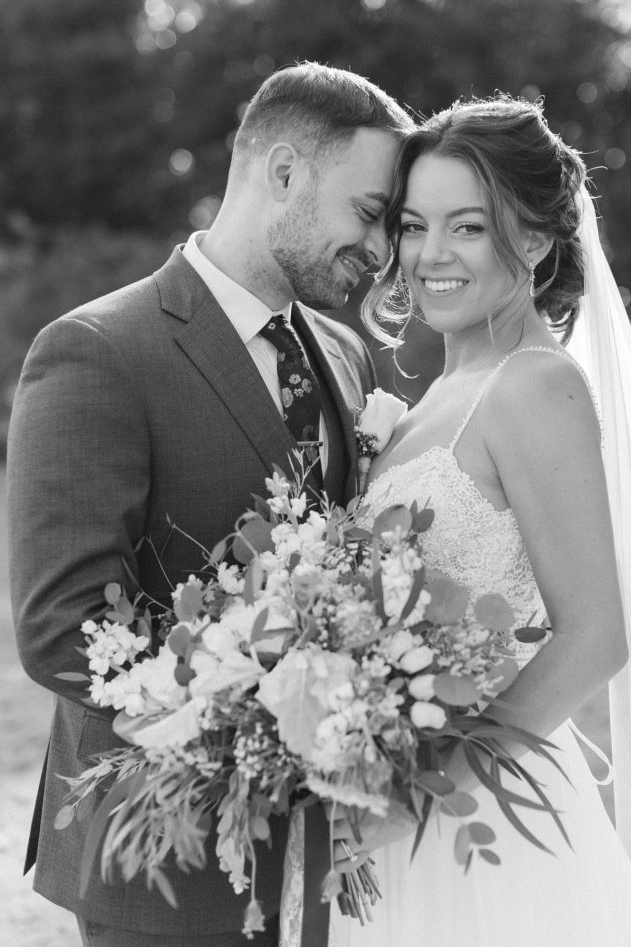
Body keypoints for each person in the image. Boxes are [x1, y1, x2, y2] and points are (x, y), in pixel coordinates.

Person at [7, 61, 414, 947]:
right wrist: (264, 722)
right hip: (161, 861)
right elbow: (60, 625)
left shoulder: (344, 356)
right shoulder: (96, 350)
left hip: (324, 855)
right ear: (282, 173)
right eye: (371, 213)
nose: (381, 252)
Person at [328, 96, 631, 947]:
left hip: (479, 823)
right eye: (413, 226)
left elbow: (595, 637)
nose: (429, 255)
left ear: (533, 239)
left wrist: (415, 794)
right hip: (389, 804)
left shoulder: (532, 385)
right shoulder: (430, 399)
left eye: (468, 228)